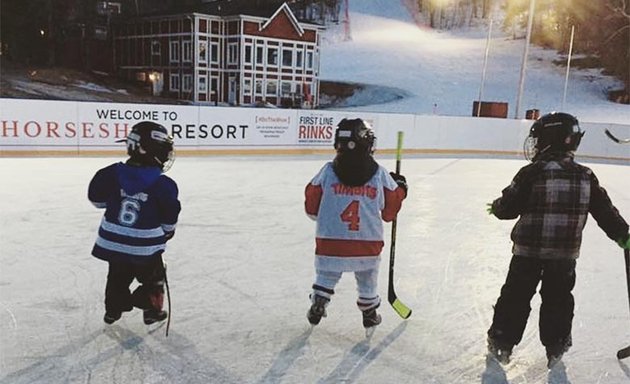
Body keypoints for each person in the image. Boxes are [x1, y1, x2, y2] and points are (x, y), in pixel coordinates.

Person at [486, 112, 630, 368]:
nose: (536, 145)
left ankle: (502, 342)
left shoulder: (532, 172)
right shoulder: (586, 175)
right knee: (558, 300)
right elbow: (605, 212)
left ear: (549, 141)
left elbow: (509, 206)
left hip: (527, 254)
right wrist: (623, 235)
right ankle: (556, 345)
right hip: (564, 257)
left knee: (515, 297)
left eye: (539, 140)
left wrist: (497, 207)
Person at [304, 118, 408, 331]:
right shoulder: (380, 174)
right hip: (367, 244)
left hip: (330, 243)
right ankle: (369, 312)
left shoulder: (327, 171)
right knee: (368, 275)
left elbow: (311, 206)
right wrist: (401, 187)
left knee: (328, 271)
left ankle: (320, 300)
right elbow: (390, 211)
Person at [88, 121, 181, 325]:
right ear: (152, 150)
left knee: (117, 276)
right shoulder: (164, 184)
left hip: (112, 242)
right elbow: (169, 216)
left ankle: (112, 311)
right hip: (145, 248)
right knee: (154, 279)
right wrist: (167, 231)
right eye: (164, 149)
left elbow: (96, 199)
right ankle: (151, 310)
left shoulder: (110, 173)